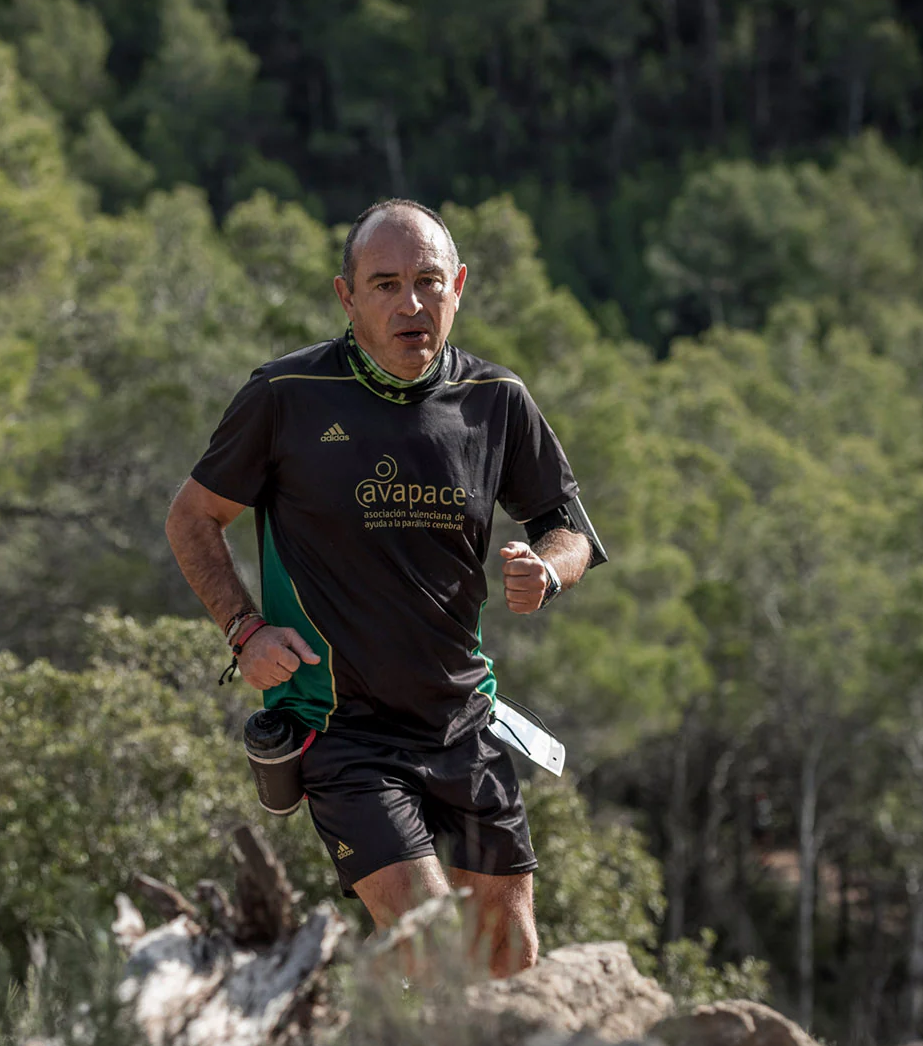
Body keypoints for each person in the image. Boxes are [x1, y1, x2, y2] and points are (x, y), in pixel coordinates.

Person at [164, 198, 607, 978]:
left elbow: (567, 525)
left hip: (463, 722)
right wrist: (245, 630)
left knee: (511, 959)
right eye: (386, 284)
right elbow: (193, 518)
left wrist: (549, 569)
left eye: (429, 282)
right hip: (345, 733)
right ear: (347, 296)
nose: (411, 304)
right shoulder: (287, 395)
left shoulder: (496, 399)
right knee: (434, 950)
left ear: (459, 286)